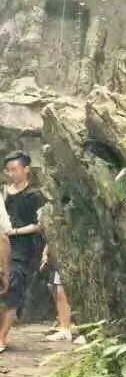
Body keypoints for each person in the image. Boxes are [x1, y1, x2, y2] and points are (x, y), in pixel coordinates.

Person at [0, 152, 45, 355]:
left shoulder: (34, 195)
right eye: (8, 170)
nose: (11, 174)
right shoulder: (4, 193)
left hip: (22, 249)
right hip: (3, 244)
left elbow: (40, 224)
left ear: (26, 169)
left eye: (14, 169)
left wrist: (15, 231)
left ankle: (2, 338)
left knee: (13, 291)